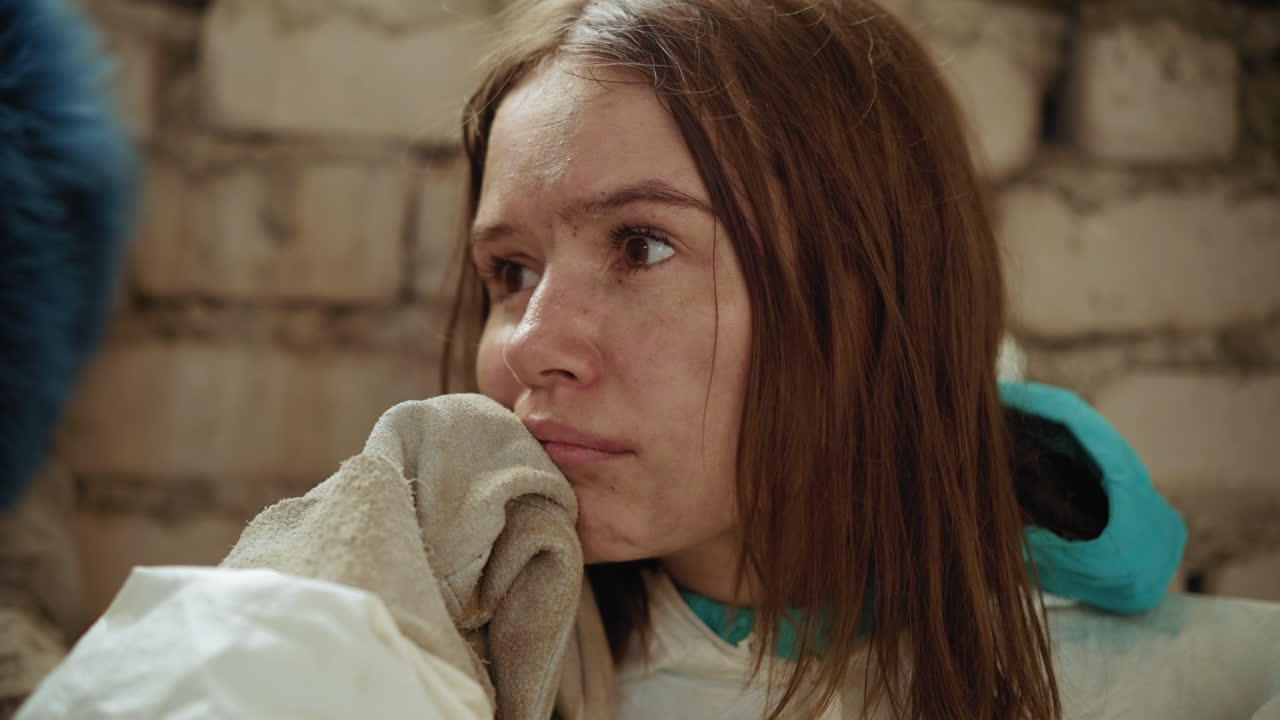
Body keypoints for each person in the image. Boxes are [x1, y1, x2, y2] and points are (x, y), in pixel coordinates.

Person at [439, 0, 1187, 718]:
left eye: (642, 246)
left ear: (869, 287)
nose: (531, 345)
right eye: (512, 272)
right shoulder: (426, 659)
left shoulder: (1148, 677)